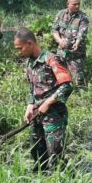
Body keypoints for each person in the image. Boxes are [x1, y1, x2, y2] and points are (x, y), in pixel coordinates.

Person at [14, 27, 73, 171]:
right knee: (38, 155)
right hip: (37, 115)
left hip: (54, 116)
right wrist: (29, 105)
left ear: (30, 43)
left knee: (56, 156)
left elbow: (67, 85)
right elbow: (32, 87)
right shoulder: (29, 63)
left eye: (20, 48)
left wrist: (48, 102)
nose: (18, 52)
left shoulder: (51, 60)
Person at [52, 0, 90, 87]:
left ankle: (83, 96)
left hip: (76, 54)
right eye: (74, 4)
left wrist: (77, 43)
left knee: (80, 82)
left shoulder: (83, 17)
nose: (77, 6)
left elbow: (81, 33)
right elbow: (54, 30)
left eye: (78, 4)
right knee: (57, 77)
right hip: (61, 52)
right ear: (68, 4)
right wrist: (60, 41)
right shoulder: (61, 14)